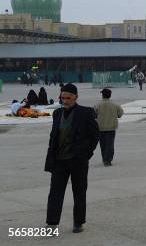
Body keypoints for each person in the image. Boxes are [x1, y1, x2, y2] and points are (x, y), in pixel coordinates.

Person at [45, 83, 99, 233]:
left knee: (79, 192)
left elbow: (95, 136)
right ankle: (52, 223)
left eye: (68, 98)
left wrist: (86, 154)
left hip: (78, 161)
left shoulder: (86, 113)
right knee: (55, 193)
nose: (65, 101)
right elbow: (53, 136)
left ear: (76, 97)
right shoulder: (57, 114)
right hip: (59, 161)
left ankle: (78, 222)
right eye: (63, 98)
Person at [94, 88, 124, 166]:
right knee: (110, 144)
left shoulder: (97, 105)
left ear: (102, 95)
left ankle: (104, 159)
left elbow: (93, 115)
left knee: (102, 144)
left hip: (100, 128)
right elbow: (120, 114)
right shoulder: (115, 105)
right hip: (111, 127)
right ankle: (108, 159)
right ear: (110, 95)